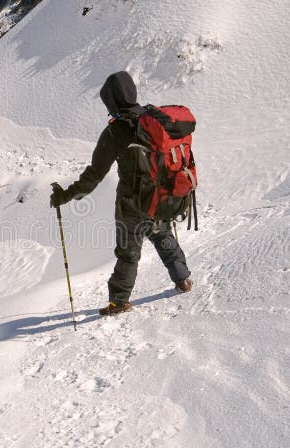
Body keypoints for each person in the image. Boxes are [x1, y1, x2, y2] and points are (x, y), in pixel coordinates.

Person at [50, 71, 192, 316]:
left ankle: (119, 301)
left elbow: (93, 176)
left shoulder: (116, 132)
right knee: (162, 235)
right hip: (161, 196)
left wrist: (65, 195)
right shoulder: (153, 118)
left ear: (111, 101)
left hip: (132, 205)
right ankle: (183, 279)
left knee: (128, 252)